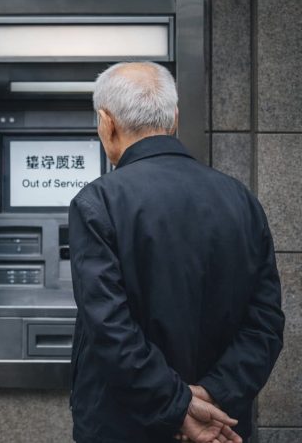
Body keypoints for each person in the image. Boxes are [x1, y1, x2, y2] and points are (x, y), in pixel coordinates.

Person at [68, 62, 284, 443]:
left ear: (106, 122)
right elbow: (264, 323)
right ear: (174, 119)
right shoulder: (240, 199)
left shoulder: (98, 202)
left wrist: (179, 406)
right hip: (220, 426)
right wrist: (210, 396)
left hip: (124, 426)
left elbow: (110, 328)